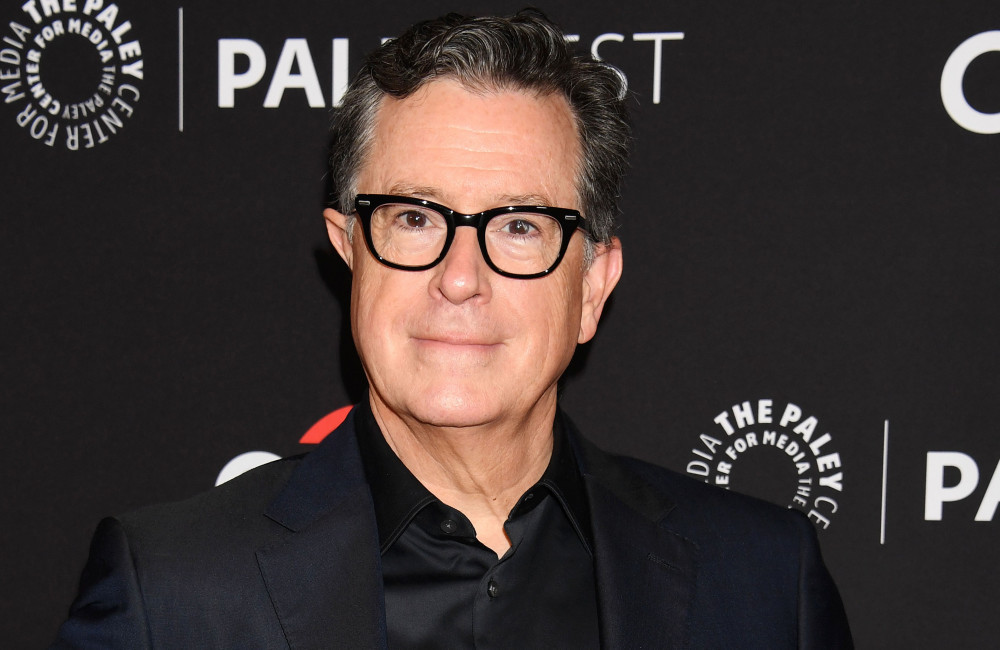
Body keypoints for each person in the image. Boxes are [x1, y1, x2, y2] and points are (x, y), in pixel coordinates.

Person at [53, 10, 852, 649]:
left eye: (519, 227)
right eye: (413, 218)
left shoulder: (761, 583)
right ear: (349, 252)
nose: (459, 277)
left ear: (592, 286)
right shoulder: (172, 592)